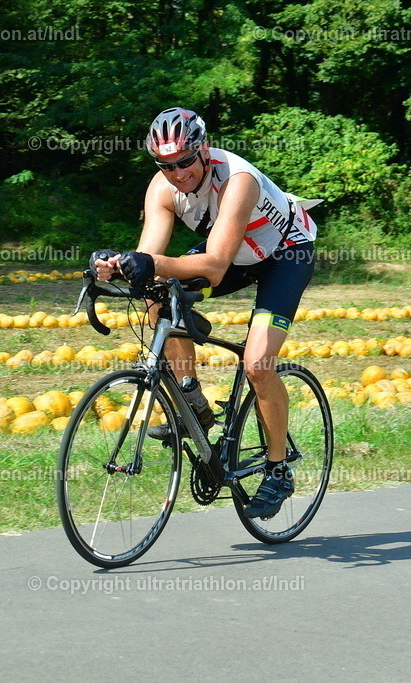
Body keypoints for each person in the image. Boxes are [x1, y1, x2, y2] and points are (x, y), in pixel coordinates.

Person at [91, 107, 320, 518]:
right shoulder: (162, 189)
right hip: (237, 254)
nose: (177, 174)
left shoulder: (238, 180)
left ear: (204, 150)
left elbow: (214, 265)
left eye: (184, 162)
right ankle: (194, 401)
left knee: (257, 364)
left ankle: (278, 467)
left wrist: (150, 264)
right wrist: (115, 264)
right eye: (166, 165)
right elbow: (150, 255)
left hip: (285, 254)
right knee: (156, 296)